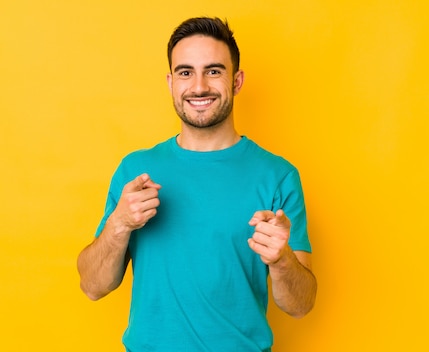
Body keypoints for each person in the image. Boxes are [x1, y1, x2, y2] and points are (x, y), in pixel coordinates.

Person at [77, 17, 317, 351]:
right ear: (170, 82)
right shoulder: (136, 170)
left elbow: (301, 305)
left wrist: (282, 260)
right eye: (186, 72)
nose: (199, 86)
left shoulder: (278, 175)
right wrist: (118, 225)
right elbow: (92, 286)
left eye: (214, 71)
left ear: (237, 80)